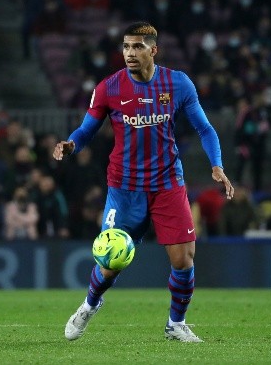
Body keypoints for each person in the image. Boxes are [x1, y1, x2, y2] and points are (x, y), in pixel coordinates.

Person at [53, 22, 234, 343]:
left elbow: (205, 129)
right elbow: (85, 130)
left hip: (167, 184)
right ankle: (89, 305)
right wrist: (71, 144)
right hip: (125, 189)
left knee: (184, 259)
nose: (129, 53)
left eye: (137, 47)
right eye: (125, 47)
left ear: (153, 50)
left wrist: (216, 165)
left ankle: (175, 324)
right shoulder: (109, 87)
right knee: (109, 263)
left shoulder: (178, 84)